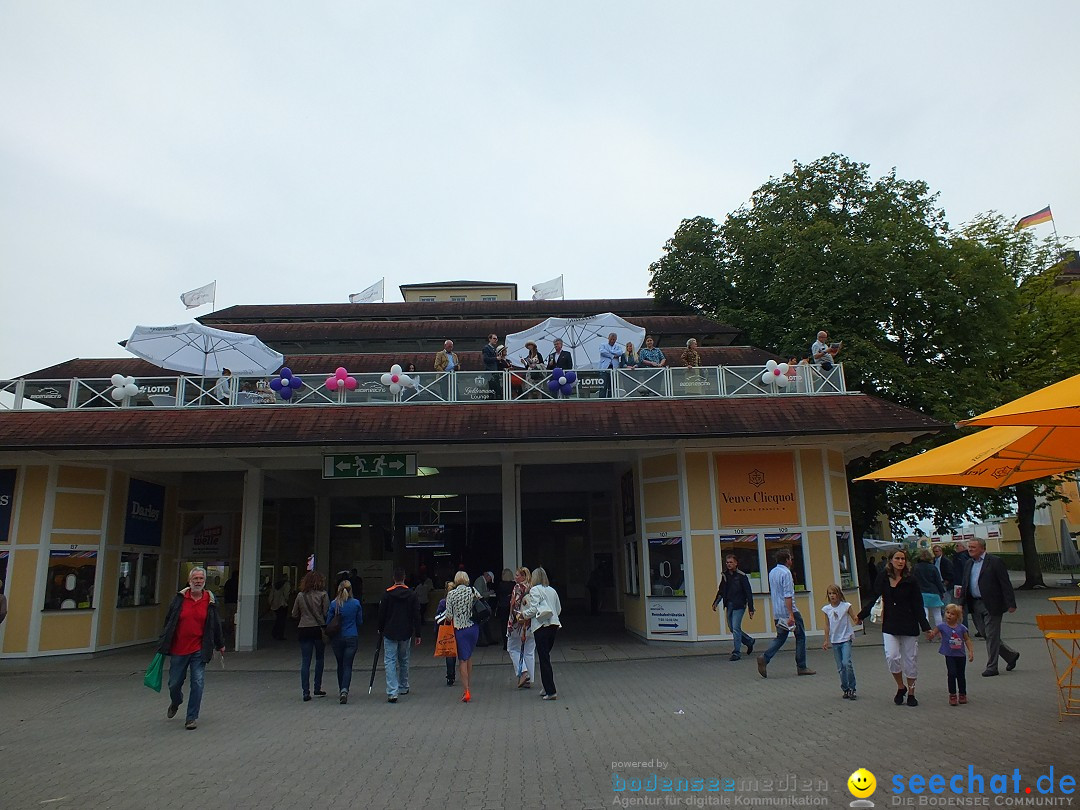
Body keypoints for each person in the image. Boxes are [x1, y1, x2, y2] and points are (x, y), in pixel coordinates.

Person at [857, 549, 932, 707]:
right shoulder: (883, 578)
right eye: (897, 558)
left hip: (909, 624)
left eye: (903, 558)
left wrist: (926, 627)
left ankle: (911, 692)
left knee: (910, 660)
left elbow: (918, 605)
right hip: (890, 624)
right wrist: (861, 615)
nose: (900, 561)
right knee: (892, 657)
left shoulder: (911, 580)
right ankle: (900, 686)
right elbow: (874, 598)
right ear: (890, 560)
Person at [158, 567, 225, 730]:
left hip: (199, 649)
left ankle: (191, 718)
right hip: (179, 649)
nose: (198, 581)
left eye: (201, 579)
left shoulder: (209, 600)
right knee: (174, 683)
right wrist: (164, 640)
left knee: (198, 682)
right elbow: (169, 621)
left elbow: (215, 624)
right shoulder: (179, 599)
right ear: (189, 581)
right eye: (195, 578)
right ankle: (176, 701)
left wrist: (220, 643)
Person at [961, 538, 1019, 677]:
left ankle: (992, 667)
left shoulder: (994, 561)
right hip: (975, 604)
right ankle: (1010, 656)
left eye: (973, 547)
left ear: (982, 548)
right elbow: (965, 584)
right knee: (985, 633)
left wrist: (1011, 603)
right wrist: (961, 603)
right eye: (969, 547)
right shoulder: (969, 563)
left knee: (992, 635)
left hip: (992, 604)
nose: (970, 549)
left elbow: (1005, 583)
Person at [757, 550, 815, 678]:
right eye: (790, 558)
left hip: (777, 611)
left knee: (781, 637)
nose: (791, 561)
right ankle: (802, 666)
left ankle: (765, 657)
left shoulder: (772, 572)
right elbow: (788, 595)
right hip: (789, 610)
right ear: (787, 560)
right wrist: (791, 614)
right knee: (800, 636)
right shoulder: (786, 573)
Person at [378, 567, 422, 704]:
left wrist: (380, 629)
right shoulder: (411, 594)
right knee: (404, 659)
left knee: (390, 661)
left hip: (390, 631)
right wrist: (418, 633)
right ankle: (403, 686)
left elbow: (381, 614)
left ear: (393, 578)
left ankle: (392, 691)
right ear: (404, 578)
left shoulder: (387, 594)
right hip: (406, 631)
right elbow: (416, 615)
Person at [521, 566, 562, 700]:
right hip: (554, 625)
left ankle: (551, 691)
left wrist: (523, 614)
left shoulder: (534, 590)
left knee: (544, 658)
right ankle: (546, 686)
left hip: (541, 626)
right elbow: (558, 609)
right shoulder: (552, 591)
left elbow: (533, 609)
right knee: (546, 656)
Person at [290, 571, 329, 702]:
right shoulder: (323, 595)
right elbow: (326, 613)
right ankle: (317, 687)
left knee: (305, 661)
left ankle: (305, 692)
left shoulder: (300, 596)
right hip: (318, 629)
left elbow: (294, 614)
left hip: (304, 629)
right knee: (319, 659)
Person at [442, 571, 480, 703]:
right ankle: (468, 683)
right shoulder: (473, 590)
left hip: (460, 630)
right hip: (473, 628)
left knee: (462, 660)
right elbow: (480, 603)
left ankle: (466, 690)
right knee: (469, 656)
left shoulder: (451, 594)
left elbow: (448, 616)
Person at [928, 603, 975, 706]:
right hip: (949, 655)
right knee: (952, 673)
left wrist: (970, 651)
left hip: (961, 655)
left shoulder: (961, 628)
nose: (949, 615)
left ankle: (962, 693)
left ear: (957, 617)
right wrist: (930, 634)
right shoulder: (942, 626)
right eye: (947, 613)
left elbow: (967, 639)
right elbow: (933, 633)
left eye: (952, 614)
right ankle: (952, 694)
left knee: (961, 675)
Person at [711, 554, 756, 661]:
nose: (729, 564)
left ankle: (736, 652)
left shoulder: (741, 576)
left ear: (736, 563)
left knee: (736, 628)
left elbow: (748, 592)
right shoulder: (725, 576)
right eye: (727, 562)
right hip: (729, 604)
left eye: (731, 562)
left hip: (739, 605)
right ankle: (749, 641)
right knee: (732, 628)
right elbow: (721, 590)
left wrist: (751, 608)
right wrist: (716, 602)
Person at [821, 584, 861, 700]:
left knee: (846, 663)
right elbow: (827, 625)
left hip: (846, 638)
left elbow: (854, 617)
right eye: (830, 593)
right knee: (840, 667)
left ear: (839, 594)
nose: (832, 596)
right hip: (835, 640)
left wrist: (857, 620)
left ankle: (852, 687)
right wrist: (826, 640)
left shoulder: (846, 606)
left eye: (834, 593)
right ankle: (845, 688)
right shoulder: (827, 609)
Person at [325, 579, 363, 704]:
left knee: (340, 664)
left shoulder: (334, 604)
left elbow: (328, 622)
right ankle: (345, 690)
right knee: (348, 665)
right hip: (352, 636)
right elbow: (360, 622)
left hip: (337, 638)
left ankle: (341, 688)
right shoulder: (356, 603)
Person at [506, 566, 535, 688]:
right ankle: (529, 679)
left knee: (512, 648)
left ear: (523, 576)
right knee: (529, 651)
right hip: (531, 623)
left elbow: (515, 606)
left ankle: (523, 672)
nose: (515, 577)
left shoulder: (518, 588)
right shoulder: (533, 588)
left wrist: (512, 623)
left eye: (517, 575)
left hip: (519, 625)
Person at [913, 548, 948, 627]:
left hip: (921, 592)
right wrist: (941, 592)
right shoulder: (933, 567)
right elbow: (938, 581)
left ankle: (927, 630)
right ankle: (939, 631)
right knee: (937, 613)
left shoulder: (916, 567)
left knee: (924, 613)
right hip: (934, 592)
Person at [434, 581, 457, 687]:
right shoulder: (458, 601)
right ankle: (454, 674)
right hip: (457, 629)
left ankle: (450, 677)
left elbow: (437, 618)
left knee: (449, 653)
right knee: (456, 653)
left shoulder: (443, 602)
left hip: (447, 630)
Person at [473, 570, 496, 646]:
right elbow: (480, 594)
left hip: (480, 606)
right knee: (482, 623)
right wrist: (489, 593)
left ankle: (486, 640)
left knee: (483, 622)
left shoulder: (480, 581)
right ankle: (481, 641)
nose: (489, 581)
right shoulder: (480, 581)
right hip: (479, 606)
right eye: (490, 579)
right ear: (488, 576)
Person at [599, 332, 624, 398]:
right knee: (603, 386)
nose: (612, 341)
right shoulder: (603, 345)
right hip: (604, 368)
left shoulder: (618, 347)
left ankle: (611, 399)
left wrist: (609, 352)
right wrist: (613, 356)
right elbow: (602, 352)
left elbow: (620, 352)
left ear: (616, 339)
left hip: (614, 369)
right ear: (608, 338)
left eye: (614, 339)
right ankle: (601, 400)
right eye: (611, 339)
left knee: (612, 386)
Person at [221, 572, 238, 637]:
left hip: (228, 601)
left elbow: (224, 590)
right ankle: (232, 629)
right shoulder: (238, 583)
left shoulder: (228, 582)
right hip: (234, 601)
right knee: (233, 616)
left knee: (227, 616)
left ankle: (226, 629)